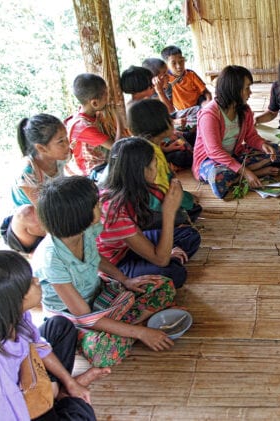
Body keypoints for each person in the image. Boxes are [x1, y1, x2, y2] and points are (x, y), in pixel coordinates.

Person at [33, 176, 178, 368]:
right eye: (95, 204)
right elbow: (84, 317)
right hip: (75, 318)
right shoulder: (52, 259)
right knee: (103, 352)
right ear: (78, 215)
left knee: (162, 285)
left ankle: (123, 328)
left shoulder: (86, 230)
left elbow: (97, 257)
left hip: (99, 295)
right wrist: (141, 333)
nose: (100, 205)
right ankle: (132, 327)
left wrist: (125, 280)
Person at [0, 250, 108, 420]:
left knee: (60, 326)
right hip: (15, 406)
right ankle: (59, 398)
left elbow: (38, 346)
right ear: (13, 301)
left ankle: (57, 390)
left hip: (23, 377)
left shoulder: (11, 318)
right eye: (30, 283)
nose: (37, 280)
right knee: (81, 412)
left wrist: (70, 382)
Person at [97, 137, 201, 287]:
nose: (157, 168)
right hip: (116, 261)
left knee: (189, 236)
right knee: (173, 274)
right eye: (154, 164)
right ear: (140, 171)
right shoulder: (114, 209)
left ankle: (154, 259)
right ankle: (151, 265)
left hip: (128, 245)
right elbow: (161, 260)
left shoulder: (132, 188)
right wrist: (168, 213)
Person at [193, 65, 280, 199]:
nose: (250, 93)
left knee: (275, 151)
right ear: (234, 89)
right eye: (247, 88)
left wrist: (262, 145)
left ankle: (236, 177)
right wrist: (246, 172)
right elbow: (214, 151)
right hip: (211, 161)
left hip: (234, 155)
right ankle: (249, 174)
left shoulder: (244, 110)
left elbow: (250, 136)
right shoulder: (209, 115)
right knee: (218, 176)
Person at [0, 114, 70, 254]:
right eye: (61, 141)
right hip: (28, 226)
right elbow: (44, 209)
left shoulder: (60, 156)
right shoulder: (28, 172)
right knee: (28, 212)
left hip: (52, 214)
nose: (67, 144)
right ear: (42, 148)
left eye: (66, 138)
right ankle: (34, 254)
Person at [127, 99, 201, 222]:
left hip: (135, 206)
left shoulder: (142, 146)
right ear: (160, 124)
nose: (172, 121)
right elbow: (163, 190)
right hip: (148, 211)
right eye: (168, 118)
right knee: (193, 210)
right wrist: (188, 200)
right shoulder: (154, 157)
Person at [121, 69, 193, 170]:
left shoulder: (146, 102)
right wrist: (166, 147)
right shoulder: (134, 110)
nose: (154, 86)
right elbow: (148, 140)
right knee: (183, 156)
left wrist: (167, 145)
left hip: (161, 144)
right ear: (143, 86)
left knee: (190, 136)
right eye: (151, 84)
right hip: (153, 149)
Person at [65, 73, 126, 180]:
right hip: (91, 171)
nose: (108, 98)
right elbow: (116, 147)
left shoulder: (92, 114)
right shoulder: (83, 127)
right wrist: (118, 118)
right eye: (105, 95)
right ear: (95, 103)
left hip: (102, 163)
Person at [141, 57, 198, 143]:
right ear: (154, 79)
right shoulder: (146, 95)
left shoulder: (168, 87)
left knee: (198, 110)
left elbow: (171, 111)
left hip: (168, 118)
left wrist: (161, 92)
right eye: (164, 74)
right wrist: (159, 91)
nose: (168, 76)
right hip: (159, 126)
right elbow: (153, 124)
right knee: (178, 133)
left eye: (167, 72)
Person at [160, 45, 212, 112]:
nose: (179, 66)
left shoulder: (191, 74)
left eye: (181, 61)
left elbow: (206, 92)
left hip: (199, 105)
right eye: (173, 63)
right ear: (166, 65)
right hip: (183, 111)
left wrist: (208, 102)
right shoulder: (165, 79)